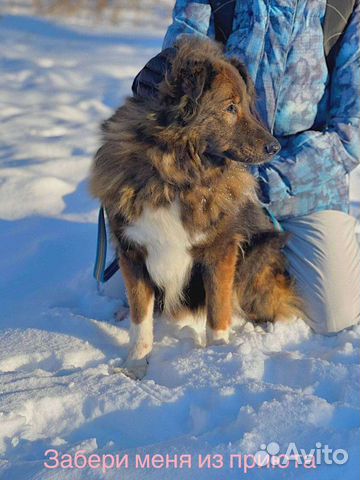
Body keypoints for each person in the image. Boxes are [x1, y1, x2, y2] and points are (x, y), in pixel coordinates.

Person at [132, 0, 360, 334]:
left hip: (308, 184)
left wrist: (263, 180)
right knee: (161, 302)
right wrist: (162, 79)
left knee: (334, 315)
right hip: (211, 178)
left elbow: (352, 131)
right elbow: (185, 61)